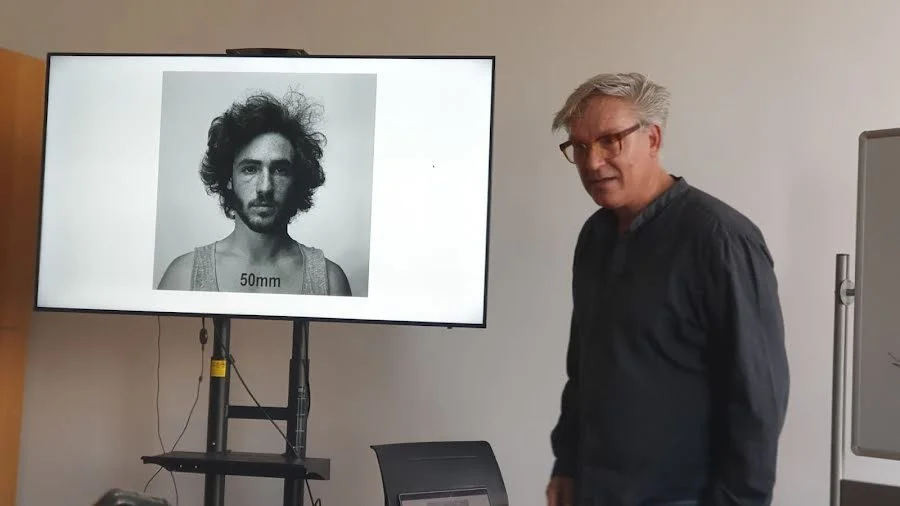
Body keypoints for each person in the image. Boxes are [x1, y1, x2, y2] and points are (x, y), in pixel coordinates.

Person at [545, 72, 790, 506]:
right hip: (596, 489)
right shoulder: (595, 237)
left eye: (609, 141)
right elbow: (582, 369)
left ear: (653, 139)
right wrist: (566, 463)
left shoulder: (720, 240)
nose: (592, 162)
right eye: (579, 147)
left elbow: (757, 398)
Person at [157, 89, 352, 296]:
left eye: (280, 170)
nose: (265, 187)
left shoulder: (330, 281)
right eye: (250, 169)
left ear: (297, 179)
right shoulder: (183, 277)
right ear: (229, 178)